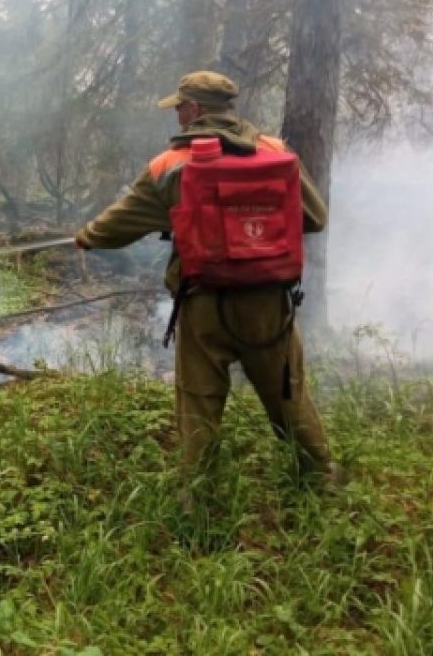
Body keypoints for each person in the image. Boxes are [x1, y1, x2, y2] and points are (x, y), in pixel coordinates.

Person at [74, 70, 340, 485]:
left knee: (198, 399)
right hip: (268, 302)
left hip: (202, 301)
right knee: (286, 389)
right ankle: (320, 475)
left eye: (180, 106)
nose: (178, 114)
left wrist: (87, 238)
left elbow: (119, 223)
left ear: (195, 109)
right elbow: (315, 217)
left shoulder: (170, 165)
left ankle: (196, 492)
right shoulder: (274, 150)